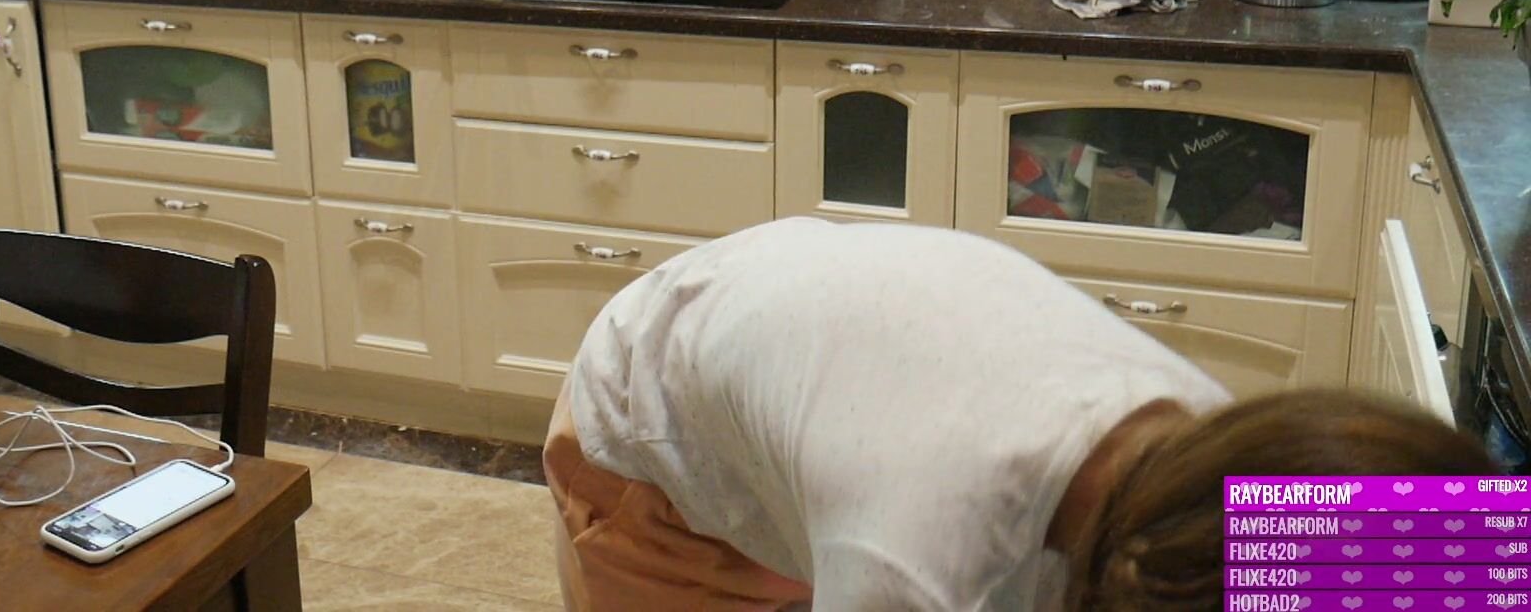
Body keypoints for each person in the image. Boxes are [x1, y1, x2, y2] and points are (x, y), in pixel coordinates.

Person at [546, 217, 1495, 612]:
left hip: (829, 349)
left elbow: (1451, 562)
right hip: (651, 422)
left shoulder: (1224, 479)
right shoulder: (915, 572)